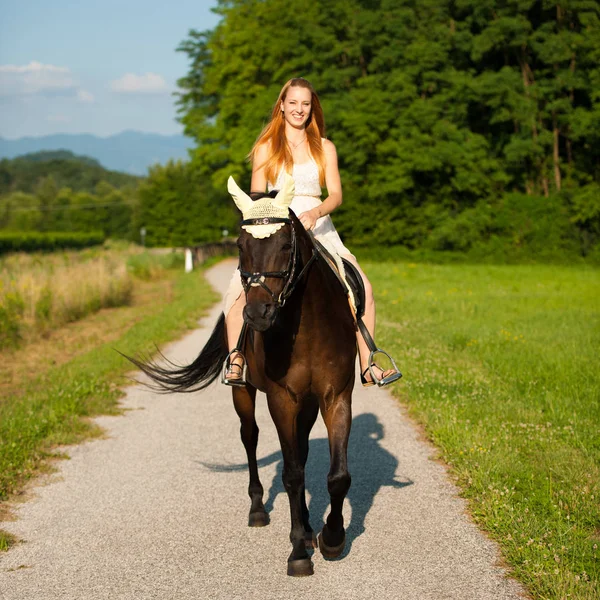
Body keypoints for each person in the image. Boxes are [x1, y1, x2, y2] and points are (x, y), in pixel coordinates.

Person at [223, 77, 400, 388]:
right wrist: (274, 219)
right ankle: (236, 357)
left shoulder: (324, 148)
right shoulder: (266, 148)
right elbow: (255, 197)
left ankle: (368, 363)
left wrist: (315, 212)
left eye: (305, 104)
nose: (299, 109)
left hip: (317, 225)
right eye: (293, 103)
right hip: (276, 226)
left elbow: (335, 195)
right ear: (282, 105)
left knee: (364, 289)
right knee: (236, 293)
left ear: (312, 108)